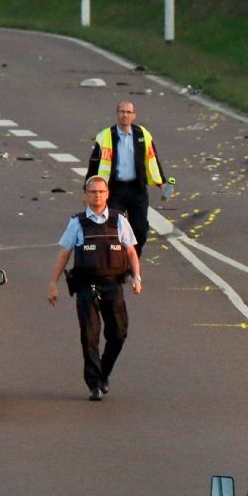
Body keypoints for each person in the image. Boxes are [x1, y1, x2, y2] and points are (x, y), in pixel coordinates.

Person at [48, 175, 143, 401]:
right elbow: (64, 253)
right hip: (87, 287)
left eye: (101, 192)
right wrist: (53, 283)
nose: (97, 196)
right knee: (90, 336)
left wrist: (137, 277)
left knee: (118, 334)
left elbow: (130, 251)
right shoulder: (77, 223)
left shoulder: (119, 220)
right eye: (92, 192)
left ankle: (104, 372)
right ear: (85, 195)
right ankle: (94, 385)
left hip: (113, 286)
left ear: (107, 194)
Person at [85, 100, 169, 255]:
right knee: (114, 227)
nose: (125, 115)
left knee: (140, 229)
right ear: (117, 114)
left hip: (137, 189)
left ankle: (133, 260)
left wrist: (162, 182)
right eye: (122, 111)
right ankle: (118, 261)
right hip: (115, 189)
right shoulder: (105, 136)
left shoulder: (142, 135)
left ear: (134, 115)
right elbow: (94, 163)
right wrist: (88, 188)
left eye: (128, 112)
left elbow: (153, 159)